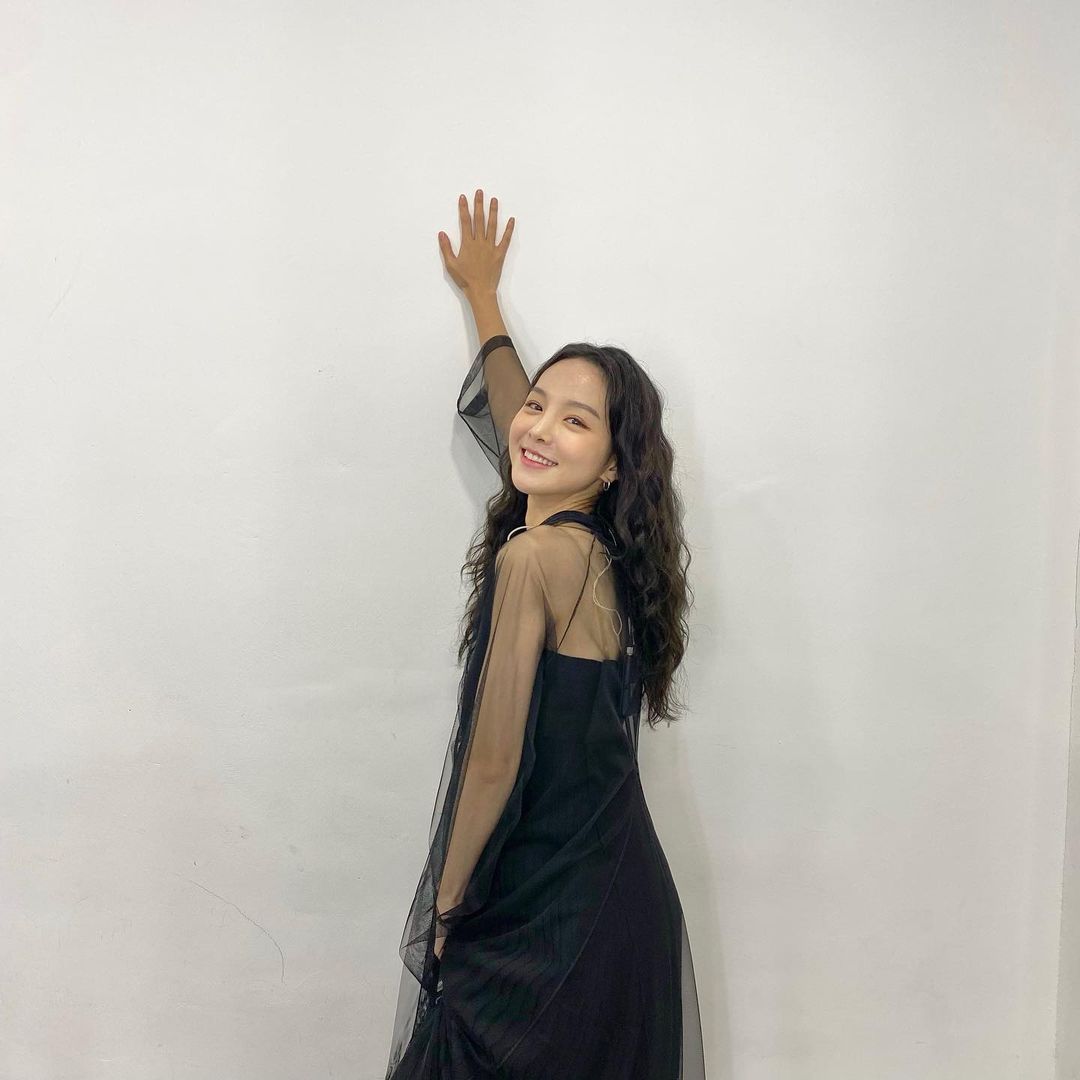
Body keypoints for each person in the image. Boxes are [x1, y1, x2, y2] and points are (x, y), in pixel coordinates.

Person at [384, 189, 706, 1079]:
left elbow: (492, 764)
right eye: (538, 406)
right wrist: (485, 302)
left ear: (612, 464)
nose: (537, 429)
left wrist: (445, 910)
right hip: (623, 906)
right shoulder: (609, 554)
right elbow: (523, 431)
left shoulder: (533, 558)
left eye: (576, 421)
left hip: (542, 921)